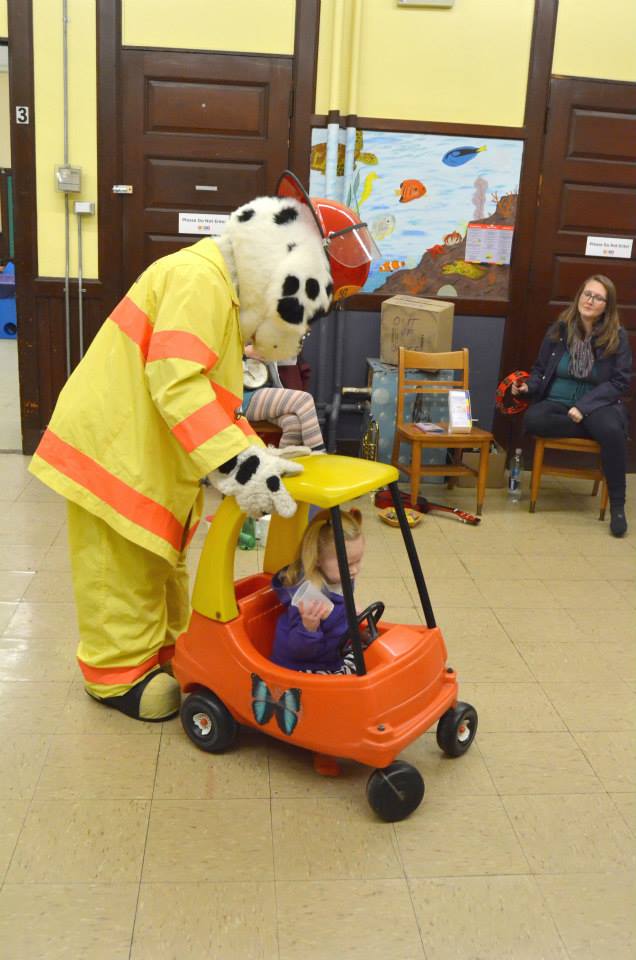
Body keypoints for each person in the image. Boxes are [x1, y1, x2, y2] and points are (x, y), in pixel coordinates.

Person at [28, 171, 378, 721]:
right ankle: (116, 677)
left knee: (162, 567)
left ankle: (166, 654)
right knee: (120, 573)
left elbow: (217, 403)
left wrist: (256, 456)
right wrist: (238, 462)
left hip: (151, 458)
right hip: (115, 455)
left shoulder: (227, 296)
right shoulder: (199, 280)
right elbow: (178, 382)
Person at [512, 274, 632, 537]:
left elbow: (620, 381)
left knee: (611, 431)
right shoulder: (559, 330)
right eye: (587, 294)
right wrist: (527, 387)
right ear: (579, 296)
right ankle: (594, 429)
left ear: (607, 306)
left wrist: (585, 407)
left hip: (597, 405)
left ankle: (618, 507)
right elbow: (540, 370)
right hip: (558, 402)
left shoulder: (617, 337)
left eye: (598, 297)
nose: (590, 301)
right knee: (533, 420)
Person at [271, 508, 365, 675]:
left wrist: (350, 609)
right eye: (348, 564)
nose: (356, 570)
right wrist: (309, 628)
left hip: (332, 652)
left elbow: (339, 606)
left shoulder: (342, 577)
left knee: (372, 660)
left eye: (358, 561)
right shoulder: (307, 596)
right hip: (301, 665)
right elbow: (298, 651)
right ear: (318, 559)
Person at [243, 346, 326, 452]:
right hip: (236, 395)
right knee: (303, 400)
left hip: (263, 389)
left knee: (293, 424)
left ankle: (286, 464)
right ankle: (319, 459)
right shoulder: (225, 331)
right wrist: (244, 351)